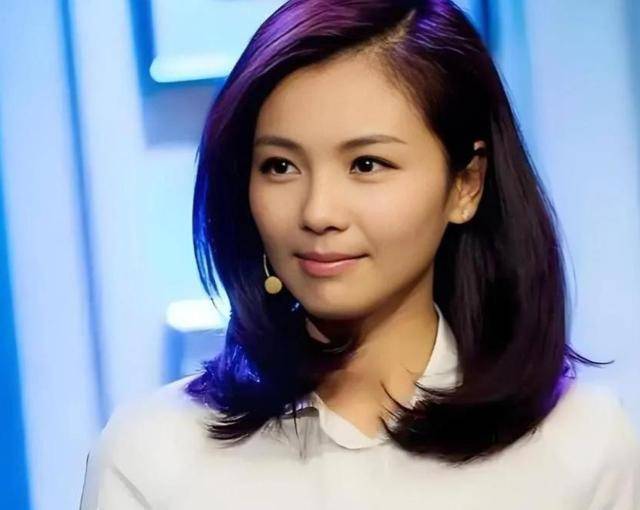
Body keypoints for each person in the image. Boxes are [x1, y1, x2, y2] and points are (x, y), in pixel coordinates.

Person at [79, 0, 640, 508]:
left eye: (367, 164)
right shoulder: (153, 457)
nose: (318, 211)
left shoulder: (581, 447)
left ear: (465, 184)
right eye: (280, 166)